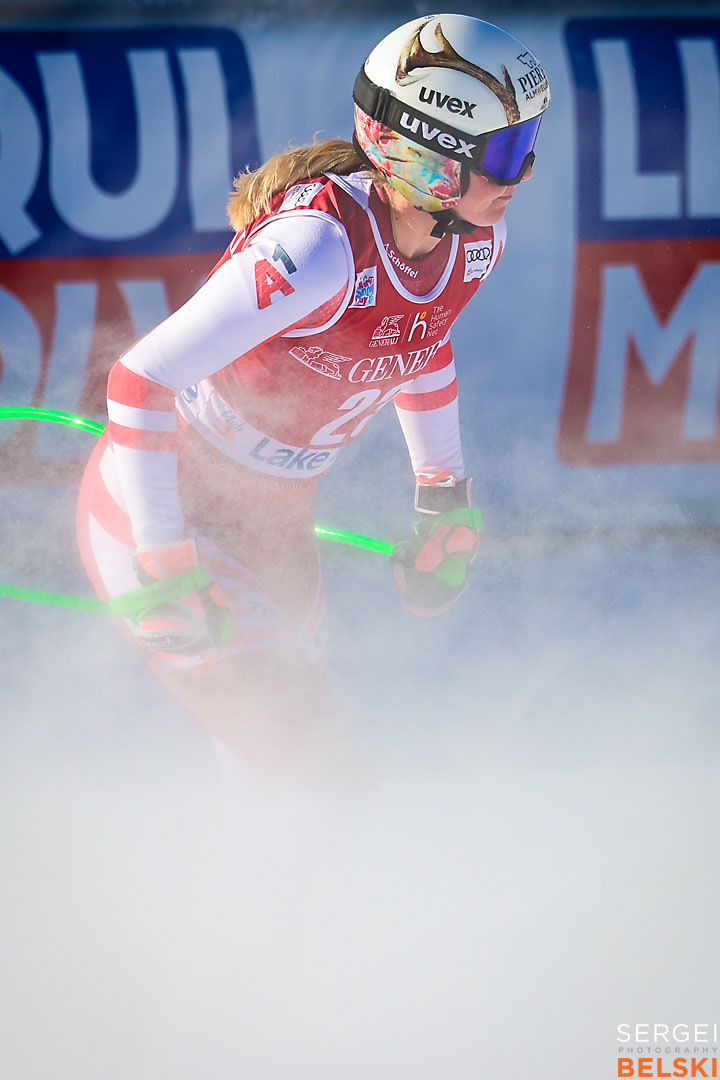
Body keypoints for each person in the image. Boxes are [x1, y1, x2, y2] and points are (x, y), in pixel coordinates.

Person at [76, 13, 550, 777]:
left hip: (275, 524)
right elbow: (139, 379)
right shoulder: (320, 247)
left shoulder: (475, 241)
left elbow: (420, 339)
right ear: (426, 155)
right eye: (505, 153)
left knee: (273, 777)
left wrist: (443, 493)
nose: (523, 175)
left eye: (528, 146)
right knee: (311, 770)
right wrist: (164, 561)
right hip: (164, 513)